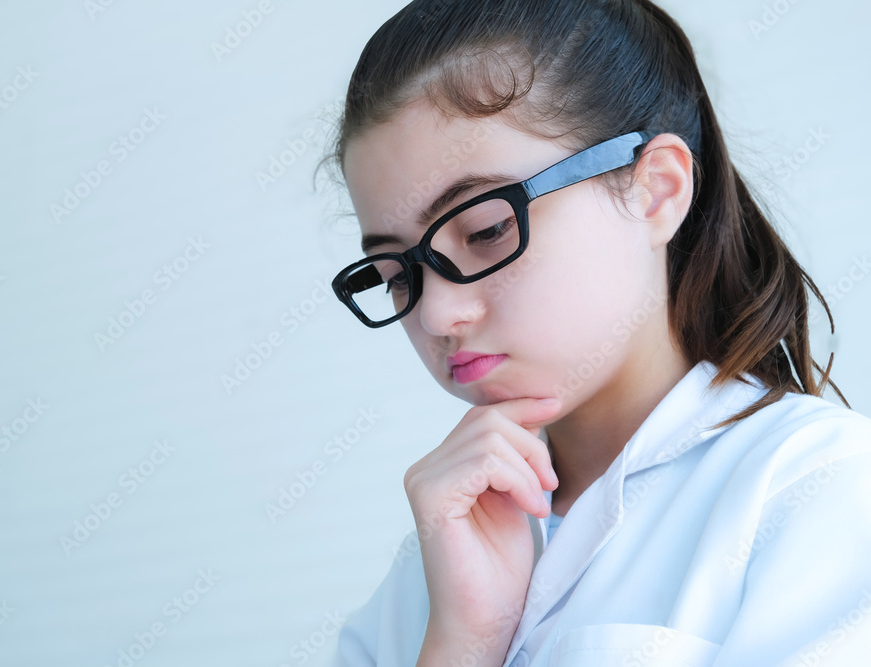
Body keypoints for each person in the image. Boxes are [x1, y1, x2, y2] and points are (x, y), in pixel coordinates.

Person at [319, 1, 871, 665]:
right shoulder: (428, 572)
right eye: (394, 274)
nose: (435, 315)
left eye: (487, 229)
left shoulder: (818, 487)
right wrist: (462, 643)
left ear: (656, 190)